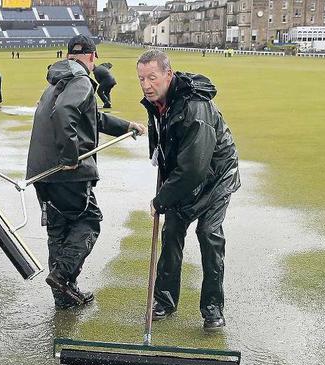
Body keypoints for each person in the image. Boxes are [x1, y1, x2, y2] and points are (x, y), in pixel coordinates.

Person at [26, 35, 146, 309]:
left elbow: (92, 118)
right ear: (92, 57)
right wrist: (71, 158)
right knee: (89, 221)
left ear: (69, 56)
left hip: (42, 172)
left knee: (59, 230)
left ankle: (64, 296)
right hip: (67, 171)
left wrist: (127, 126)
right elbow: (65, 113)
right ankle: (62, 276)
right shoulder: (80, 81)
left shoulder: (57, 81)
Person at [136, 49, 240, 331]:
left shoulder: (194, 108)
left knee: (208, 234)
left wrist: (161, 200)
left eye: (152, 78)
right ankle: (165, 300)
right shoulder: (158, 103)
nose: (146, 85)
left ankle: (212, 309)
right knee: (171, 234)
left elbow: (194, 167)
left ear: (168, 75)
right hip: (185, 177)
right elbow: (165, 143)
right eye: (142, 78)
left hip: (216, 177)